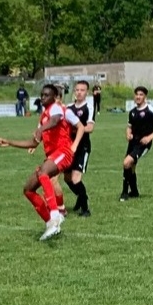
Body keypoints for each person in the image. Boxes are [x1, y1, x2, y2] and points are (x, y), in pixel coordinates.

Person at [0, 83, 73, 241]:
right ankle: (50, 224)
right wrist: (9, 142)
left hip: (64, 152)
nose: (43, 97)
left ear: (54, 97)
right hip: (52, 156)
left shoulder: (55, 109)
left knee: (43, 172)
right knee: (28, 189)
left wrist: (41, 129)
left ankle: (56, 214)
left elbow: (56, 120)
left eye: (46, 95)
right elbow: (33, 143)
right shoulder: (43, 117)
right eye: (42, 95)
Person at [122, 86, 153, 200]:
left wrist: (150, 137)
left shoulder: (150, 110)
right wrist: (128, 134)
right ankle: (134, 192)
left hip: (143, 144)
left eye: (141, 95)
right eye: (136, 94)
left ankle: (124, 193)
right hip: (133, 143)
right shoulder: (132, 112)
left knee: (126, 163)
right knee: (131, 167)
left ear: (145, 96)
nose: (138, 97)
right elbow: (129, 126)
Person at [66, 80, 96, 216]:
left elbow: (90, 127)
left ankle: (85, 209)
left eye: (82, 90)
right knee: (67, 178)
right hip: (69, 147)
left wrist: (77, 128)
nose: (79, 92)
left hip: (82, 147)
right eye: (77, 90)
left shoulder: (89, 107)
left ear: (87, 92)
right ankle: (81, 195)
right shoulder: (68, 108)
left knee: (76, 178)